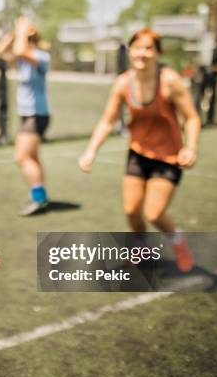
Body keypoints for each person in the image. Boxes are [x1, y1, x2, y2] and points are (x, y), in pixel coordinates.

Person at [78, 29, 201, 272]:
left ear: (157, 53)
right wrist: (91, 151)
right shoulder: (124, 83)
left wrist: (190, 147)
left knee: (154, 214)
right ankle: (141, 250)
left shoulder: (170, 81)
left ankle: (178, 241)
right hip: (138, 154)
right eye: (137, 47)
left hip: (168, 158)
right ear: (130, 50)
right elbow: (108, 120)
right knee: (131, 210)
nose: (142, 53)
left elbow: (192, 118)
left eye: (148, 48)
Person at [0, 17, 51, 216]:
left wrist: (21, 29)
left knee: (22, 157)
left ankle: (39, 198)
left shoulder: (41, 57)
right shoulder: (23, 56)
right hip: (28, 114)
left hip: (37, 114)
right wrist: (14, 33)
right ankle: (41, 195)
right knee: (32, 157)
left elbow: (19, 51)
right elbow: (0, 51)